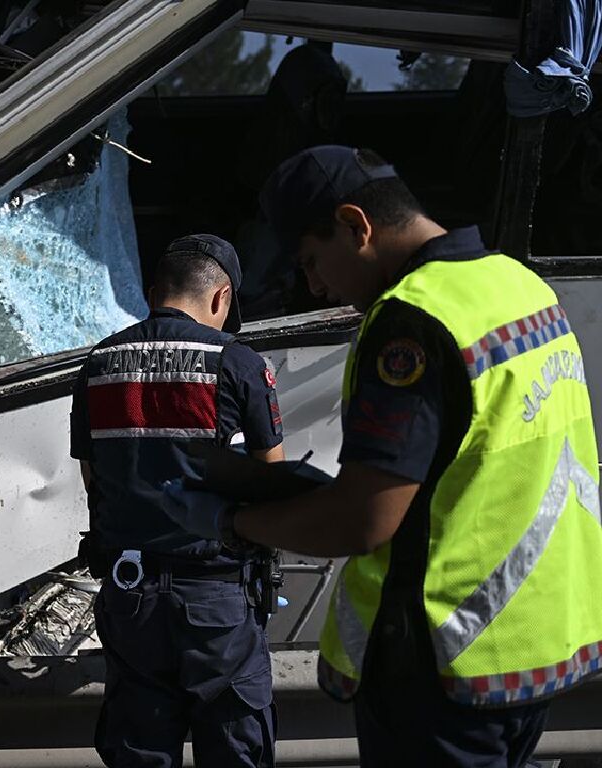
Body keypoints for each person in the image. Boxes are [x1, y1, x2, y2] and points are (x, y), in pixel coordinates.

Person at [165, 145, 602, 766]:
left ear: (356, 225)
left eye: (313, 261)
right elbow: (480, 462)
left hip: (447, 667)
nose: (314, 286)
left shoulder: (412, 320)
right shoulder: (516, 283)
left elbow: (364, 520)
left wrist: (231, 524)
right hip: (537, 645)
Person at [71, 234, 285, 767]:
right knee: (235, 749)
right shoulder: (236, 363)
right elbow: (272, 485)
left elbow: (93, 477)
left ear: (152, 291)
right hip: (217, 602)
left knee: (139, 751)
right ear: (221, 298)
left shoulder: (99, 364)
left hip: (130, 598)